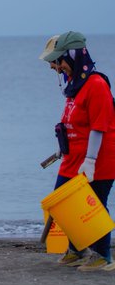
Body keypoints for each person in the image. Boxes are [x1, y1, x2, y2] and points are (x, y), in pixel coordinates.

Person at [40, 31, 115, 271]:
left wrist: (91, 160)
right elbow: (73, 122)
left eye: (58, 61)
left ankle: (103, 255)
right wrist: (63, 146)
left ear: (72, 56)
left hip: (99, 158)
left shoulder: (96, 85)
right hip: (73, 157)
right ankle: (77, 249)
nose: (56, 67)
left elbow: (99, 127)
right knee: (61, 202)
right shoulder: (75, 85)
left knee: (93, 205)